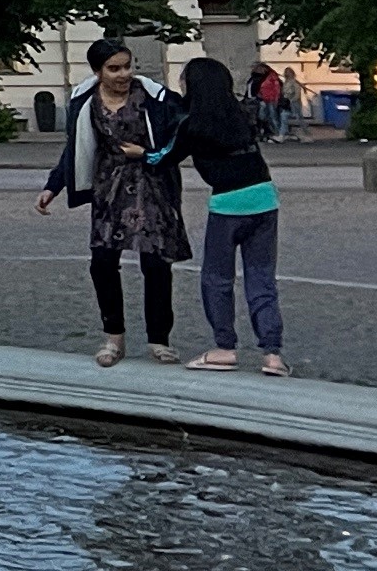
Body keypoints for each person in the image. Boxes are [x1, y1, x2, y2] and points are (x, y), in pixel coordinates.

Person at [42, 38, 190, 366]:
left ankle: (159, 339)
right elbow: (75, 147)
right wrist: (53, 186)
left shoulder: (155, 97)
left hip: (151, 185)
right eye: (114, 68)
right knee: (102, 262)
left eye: (127, 66)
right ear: (98, 71)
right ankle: (113, 338)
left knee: (156, 264)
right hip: (108, 187)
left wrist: (152, 155)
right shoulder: (85, 100)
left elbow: (185, 134)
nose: (124, 74)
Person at [174, 54, 289, 376]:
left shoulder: (193, 124)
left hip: (227, 206)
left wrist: (140, 153)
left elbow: (163, 158)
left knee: (217, 279)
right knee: (261, 278)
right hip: (264, 199)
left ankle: (224, 348)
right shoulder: (241, 114)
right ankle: (272, 355)